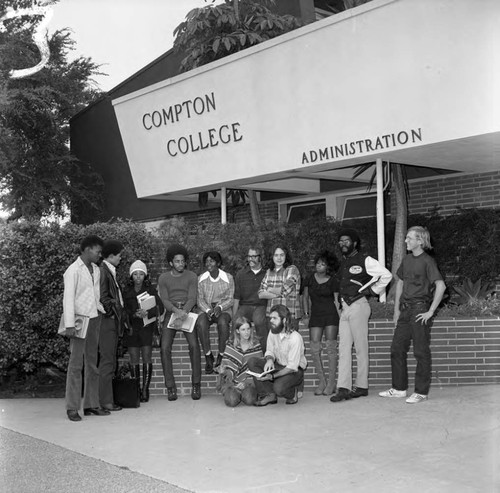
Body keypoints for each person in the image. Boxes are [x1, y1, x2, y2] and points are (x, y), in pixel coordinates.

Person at [379, 226, 446, 404]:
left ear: (420, 241)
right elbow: (400, 283)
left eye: (409, 238)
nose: (406, 241)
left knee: (420, 351)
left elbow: (441, 286)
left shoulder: (428, 261)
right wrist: (396, 310)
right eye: (407, 238)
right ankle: (399, 389)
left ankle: (420, 392)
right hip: (405, 310)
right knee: (396, 349)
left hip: (419, 309)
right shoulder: (407, 259)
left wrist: (430, 311)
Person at [330, 229, 392, 403]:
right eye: (340, 241)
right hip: (345, 309)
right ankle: (343, 388)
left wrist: (373, 291)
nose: (343, 243)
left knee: (360, 348)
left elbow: (386, 275)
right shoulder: (343, 263)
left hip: (359, 306)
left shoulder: (365, 260)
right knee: (343, 349)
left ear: (355, 243)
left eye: (347, 241)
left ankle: (362, 386)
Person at [63, 235, 107, 422]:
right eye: (98, 251)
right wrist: (70, 325)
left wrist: (102, 310)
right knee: (75, 365)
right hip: (78, 322)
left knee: (92, 363)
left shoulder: (96, 269)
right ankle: (72, 408)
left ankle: (91, 405)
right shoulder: (72, 271)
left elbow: (95, 295)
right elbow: (68, 299)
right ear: (87, 249)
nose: (100, 255)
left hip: (95, 319)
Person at [158, 244, 202, 401]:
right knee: (164, 348)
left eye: (182, 261)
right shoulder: (163, 278)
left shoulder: (191, 276)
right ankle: (170, 387)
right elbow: (164, 299)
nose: (180, 264)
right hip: (172, 312)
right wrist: (177, 312)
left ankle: (196, 385)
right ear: (171, 263)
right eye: (177, 261)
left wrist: (184, 312)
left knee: (194, 346)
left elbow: (192, 298)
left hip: (188, 311)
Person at [247, 304, 307, 406]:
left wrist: (272, 376)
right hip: (279, 365)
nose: (271, 321)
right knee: (252, 362)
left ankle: (292, 394)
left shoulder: (295, 338)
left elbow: (291, 367)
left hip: (294, 371)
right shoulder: (273, 332)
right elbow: (269, 350)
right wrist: (270, 359)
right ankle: (269, 395)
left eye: (275, 318)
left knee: (278, 388)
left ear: (284, 320)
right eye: (271, 318)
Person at [122, 260, 164, 402]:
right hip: (132, 329)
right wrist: (134, 314)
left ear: (145, 275)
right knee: (134, 359)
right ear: (131, 276)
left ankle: (145, 390)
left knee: (147, 357)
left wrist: (147, 312)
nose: (138, 277)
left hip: (146, 329)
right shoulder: (126, 291)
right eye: (135, 274)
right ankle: (136, 390)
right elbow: (122, 311)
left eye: (141, 274)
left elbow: (160, 308)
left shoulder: (150, 290)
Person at [302, 250, 340, 396]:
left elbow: (336, 301)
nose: (319, 266)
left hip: (331, 315)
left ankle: (331, 383)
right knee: (314, 348)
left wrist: (341, 317)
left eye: (323, 264)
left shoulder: (333, 280)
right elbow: (305, 298)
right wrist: (306, 315)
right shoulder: (309, 279)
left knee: (331, 348)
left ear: (328, 266)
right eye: (318, 263)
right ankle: (321, 381)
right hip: (316, 315)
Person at [195, 251, 234, 374]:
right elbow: (199, 299)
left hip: (223, 309)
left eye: (211, 261)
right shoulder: (201, 279)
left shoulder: (228, 278)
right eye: (206, 261)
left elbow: (230, 298)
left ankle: (221, 356)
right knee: (201, 324)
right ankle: (208, 356)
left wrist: (220, 307)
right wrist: (207, 310)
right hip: (206, 308)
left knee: (223, 323)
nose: (208, 264)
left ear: (218, 263)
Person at [99, 239, 125, 412]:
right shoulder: (103, 272)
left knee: (110, 361)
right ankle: (106, 401)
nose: (121, 259)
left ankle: (106, 399)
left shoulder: (108, 271)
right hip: (107, 321)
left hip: (111, 321)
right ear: (111, 256)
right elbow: (103, 297)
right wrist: (113, 309)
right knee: (108, 361)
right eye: (119, 255)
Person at [217, 316, 263, 407]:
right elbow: (226, 367)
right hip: (232, 383)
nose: (246, 332)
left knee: (249, 400)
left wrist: (246, 383)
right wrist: (223, 372)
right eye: (243, 329)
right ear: (237, 331)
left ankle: (244, 393)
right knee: (231, 402)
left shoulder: (256, 344)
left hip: (249, 382)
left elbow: (259, 369)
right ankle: (235, 393)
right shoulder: (231, 344)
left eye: (248, 329)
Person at [232, 246, 268, 351]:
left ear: (260, 258)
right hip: (245, 306)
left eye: (254, 256)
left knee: (259, 322)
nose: (250, 259)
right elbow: (236, 297)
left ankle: (264, 353)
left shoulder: (267, 274)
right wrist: (234, 316)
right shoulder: (241, 274)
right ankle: (235, 351)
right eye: (249, 256)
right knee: (236, 321)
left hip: (260, 305)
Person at [258, 245, 301, 322]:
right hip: (272, 316)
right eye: (276, 255)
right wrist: (280, 293)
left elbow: (285, 290)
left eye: (282, 255)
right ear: (272, 257)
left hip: (289, 315)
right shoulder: (269, 272)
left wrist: (269, 289)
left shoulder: (292, 269)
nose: (279, 258)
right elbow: (260, 294)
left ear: (286, 256)